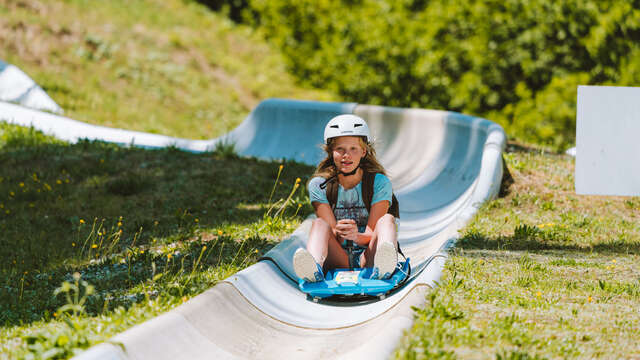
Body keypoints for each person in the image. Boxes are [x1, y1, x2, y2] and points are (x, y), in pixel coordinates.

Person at [293, 114, 398, 282]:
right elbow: (331, 232)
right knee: (319, 223)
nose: (346, 155)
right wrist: (342, 233)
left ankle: (385, 267)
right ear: (330, 152)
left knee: (387, 219)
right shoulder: (319, 185)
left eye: (353, 149)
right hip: (338, 258)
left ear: (363, 151)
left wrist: (356, 235)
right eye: (340, 149)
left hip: (367, 257)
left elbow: (371, 233)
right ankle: (313, 269)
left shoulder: (379, 182)